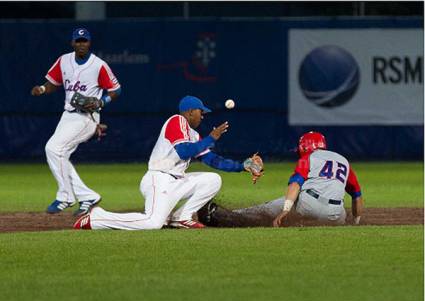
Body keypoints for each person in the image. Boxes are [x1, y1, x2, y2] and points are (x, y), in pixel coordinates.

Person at [73, 95, 262, 230]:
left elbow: (213, 160)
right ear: (189, 112)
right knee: (153, 223)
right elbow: (183, 151)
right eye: (200, 111)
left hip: (177, 181)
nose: (203, 115)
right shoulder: (176, 121)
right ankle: (97, 218)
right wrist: (211, 138)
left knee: (213, 179)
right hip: (159, 179)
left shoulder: (194, 134)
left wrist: (242, 166)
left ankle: (182, 218)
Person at [31, 28, 121, 216]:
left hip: (88, 116)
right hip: (68, 115)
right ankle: (88, 196)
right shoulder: (64, 60)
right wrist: (41, 89)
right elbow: (52, 83)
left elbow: (116, 89)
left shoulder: (99, 65)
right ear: (72, 43)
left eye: (84, 41)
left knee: (52, 148)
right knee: (59, 155)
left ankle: (66, 197)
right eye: (78, 41)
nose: (81, 44)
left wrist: (102, 101)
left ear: (89, 43)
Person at [197, 131, 364, 227]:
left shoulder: (308, 158)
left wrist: (286, 209)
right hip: (336, 217)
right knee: (336, 209)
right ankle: (308, 222)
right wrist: (356, 221)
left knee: (270, 208)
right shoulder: (343, 161)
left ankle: (226, 216)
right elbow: (357, 196)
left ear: (304, 147)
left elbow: (295, 184)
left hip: (309, 205)